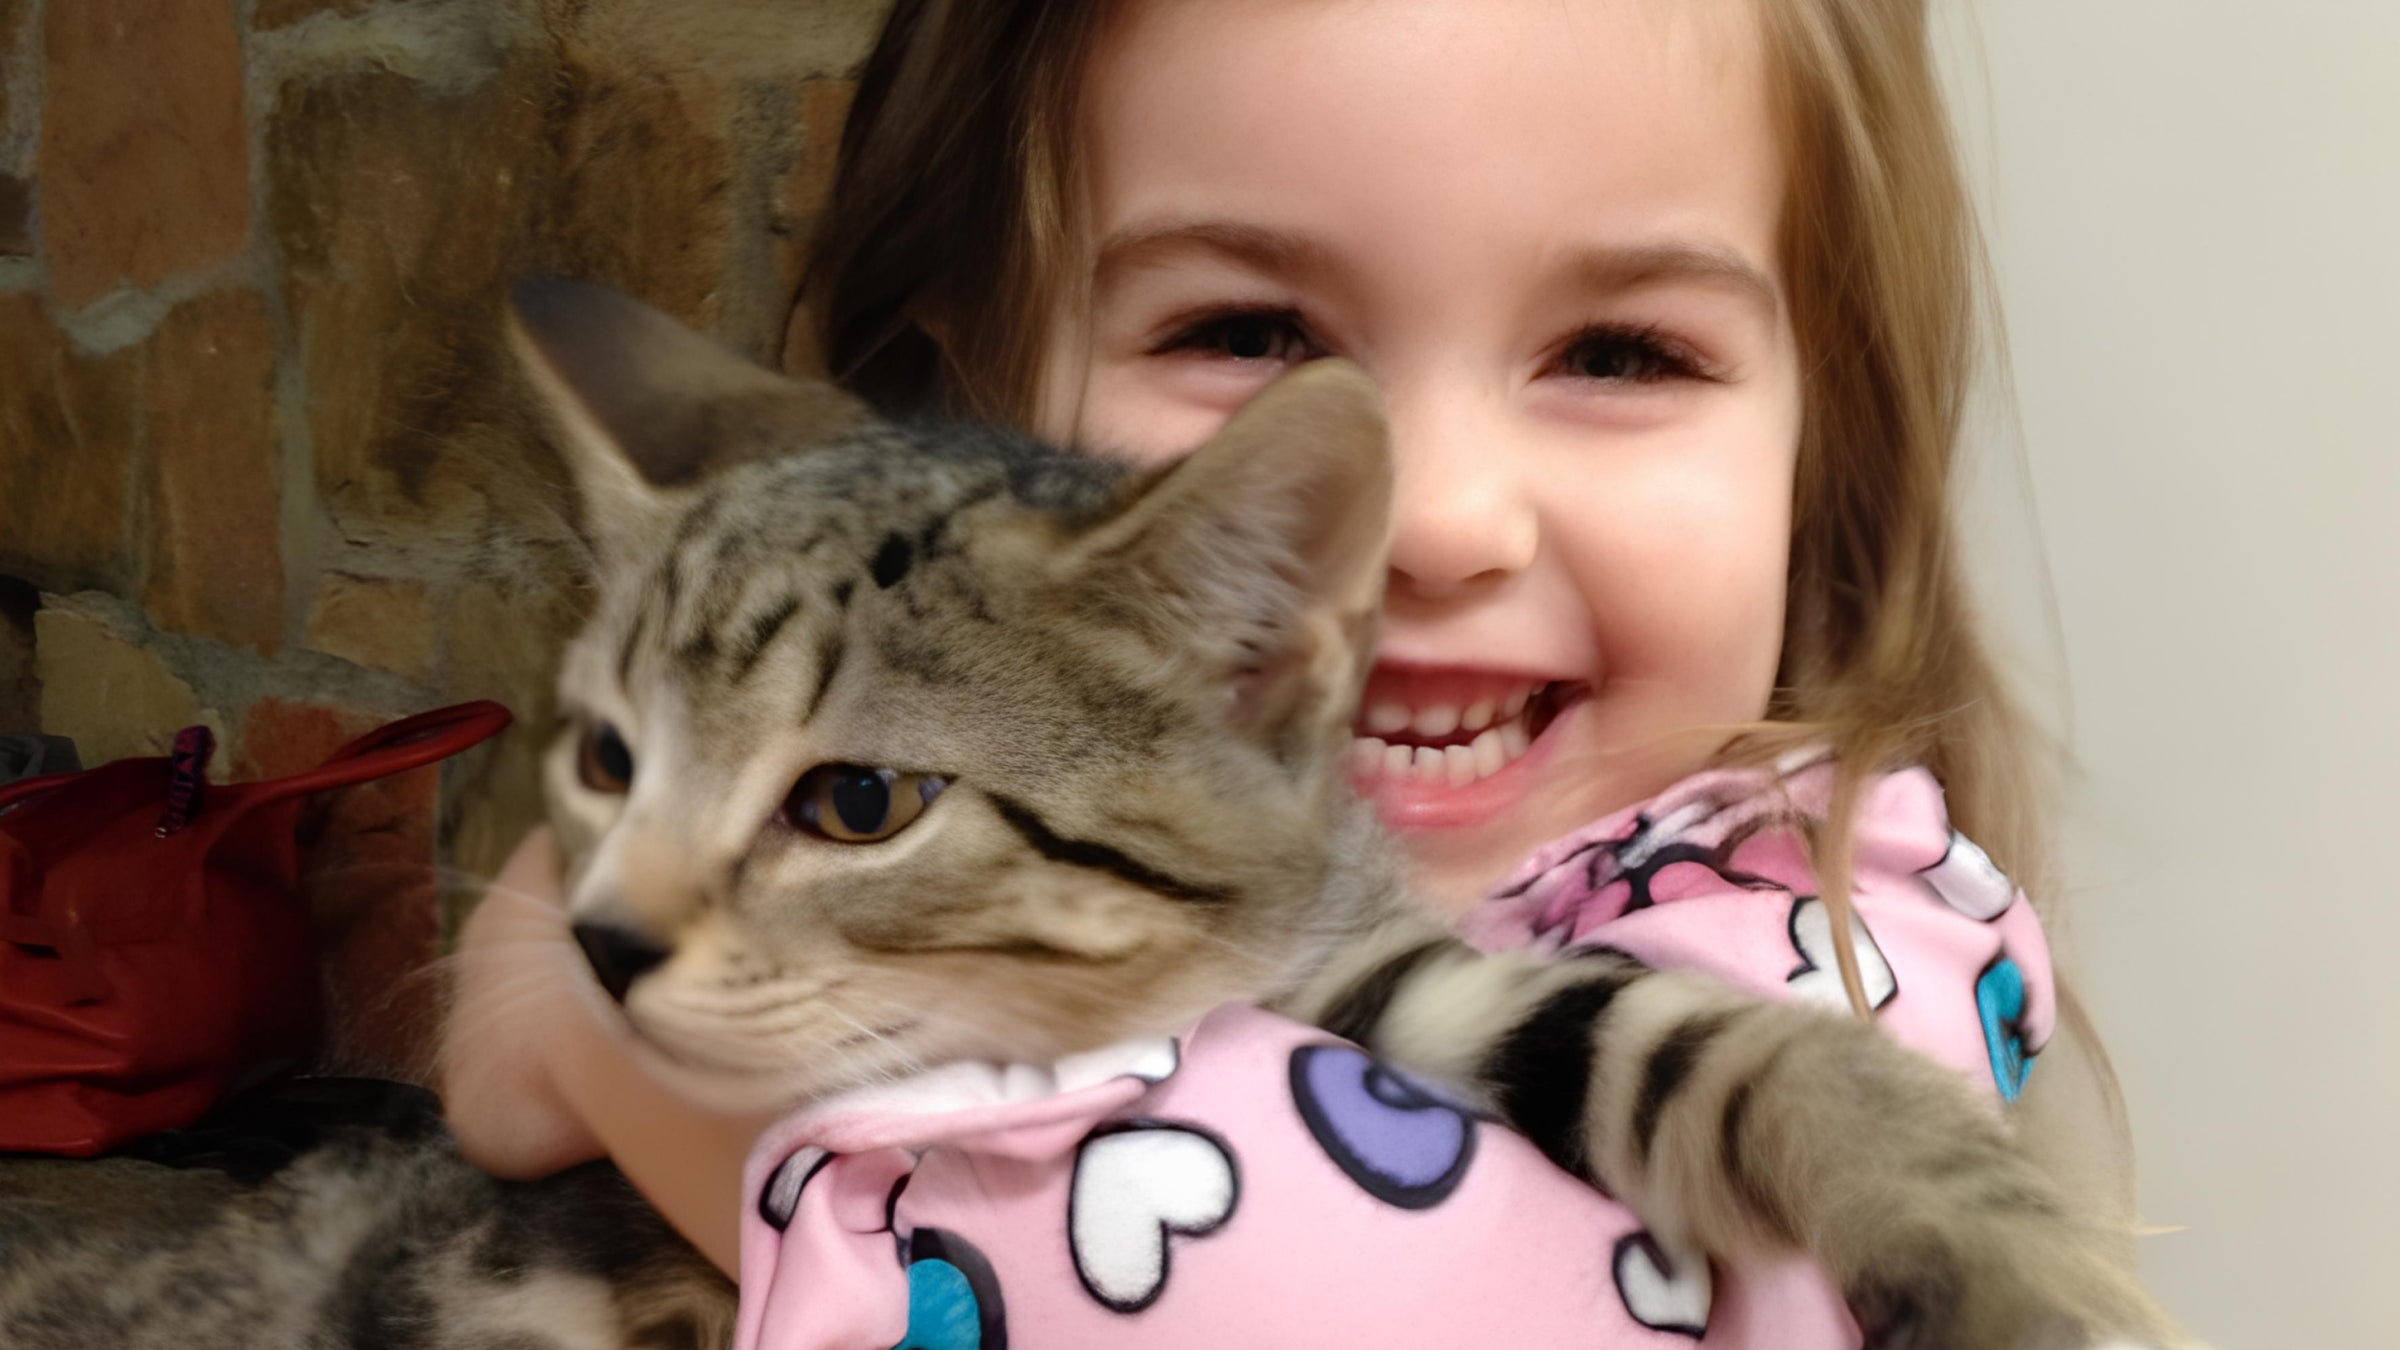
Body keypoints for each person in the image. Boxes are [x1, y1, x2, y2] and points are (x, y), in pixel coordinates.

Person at [443, 0, 2140, 1337]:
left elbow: (1295, 1291)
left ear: (1819, 445)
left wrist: (606, 1038)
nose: (1446, 515)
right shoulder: (1120, 854)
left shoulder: (1844, 917)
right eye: (1247, 336)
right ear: (949, 411)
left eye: (1623, 350)